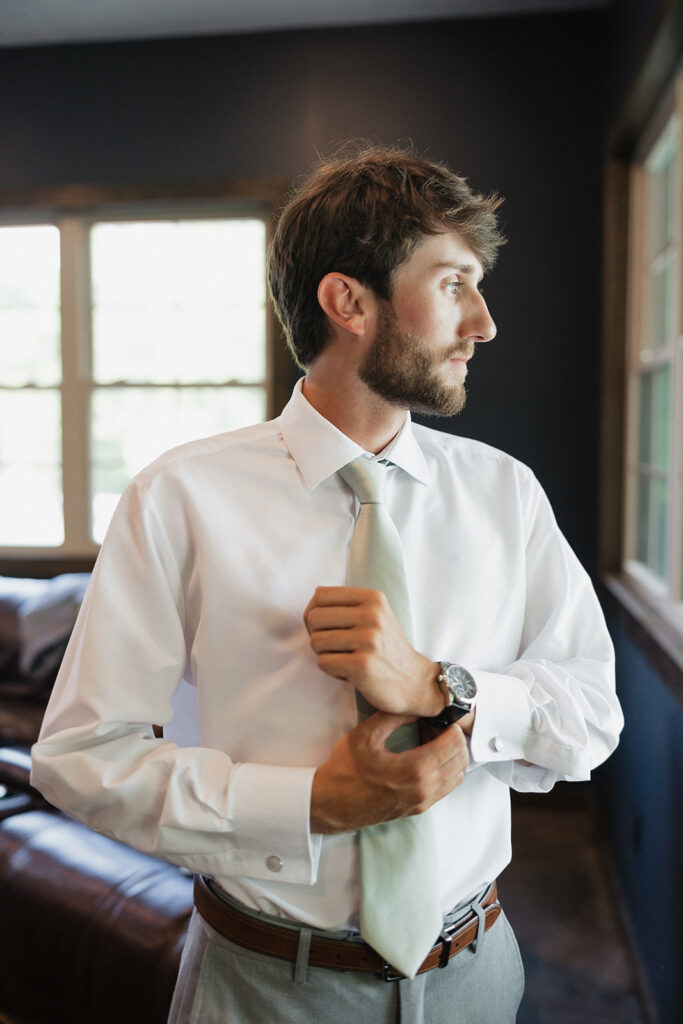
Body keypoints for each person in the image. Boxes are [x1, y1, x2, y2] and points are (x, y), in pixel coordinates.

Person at [32, 144, 623, 1023]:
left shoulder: (504, 493)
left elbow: (591, 715)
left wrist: (440, 685)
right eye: (453, 284)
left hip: (478, 972)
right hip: (261, 986)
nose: (484, 323)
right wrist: (310, 804)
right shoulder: (179, 497)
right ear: (349, 301)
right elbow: (80, 759)